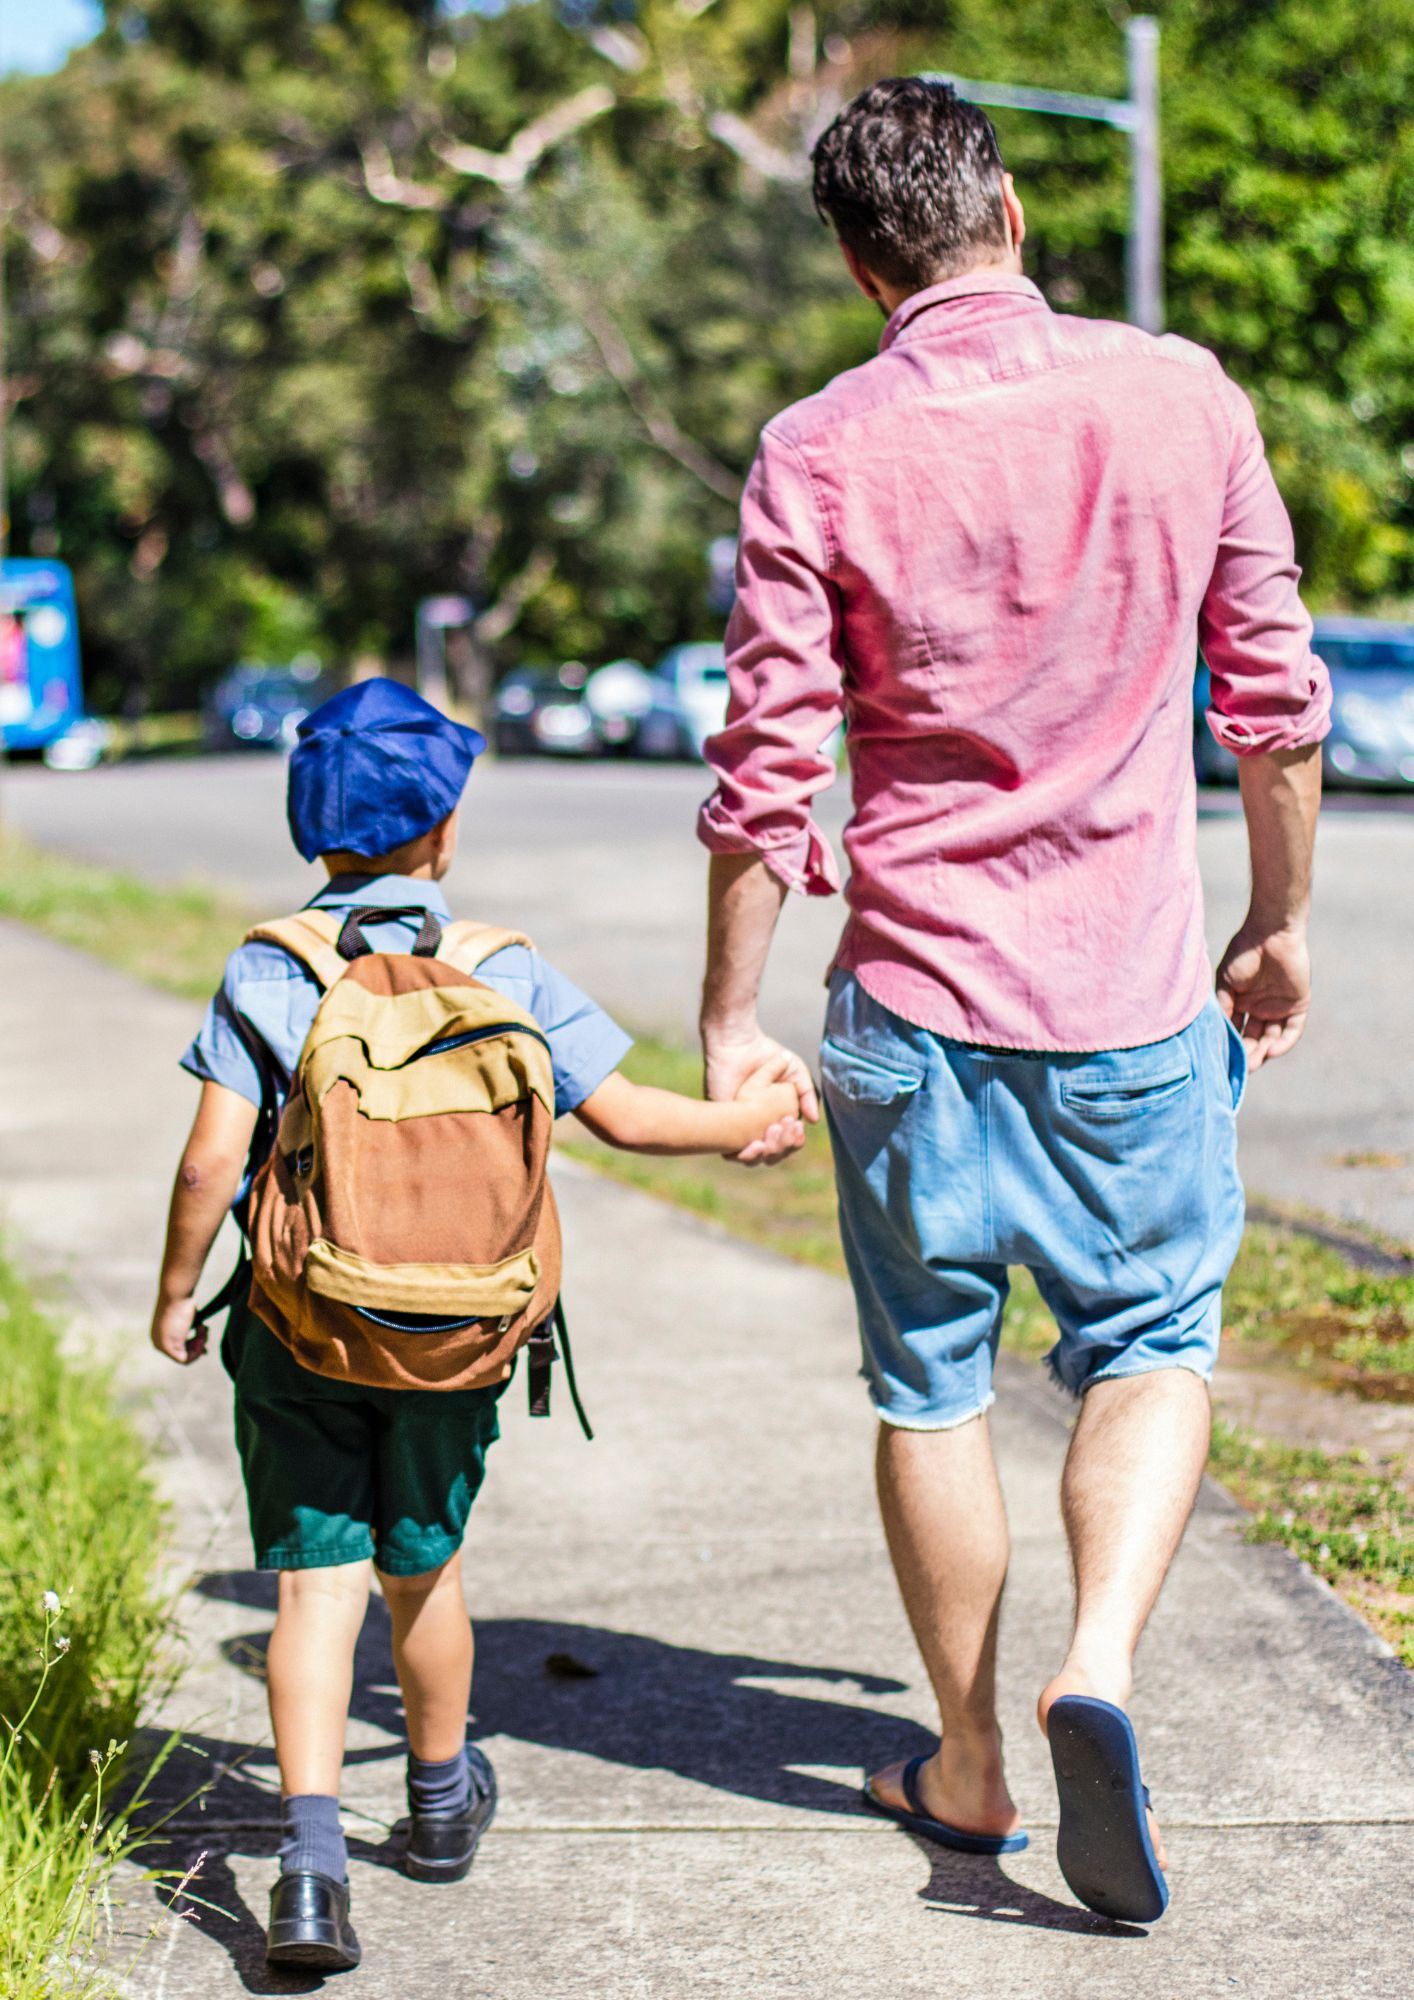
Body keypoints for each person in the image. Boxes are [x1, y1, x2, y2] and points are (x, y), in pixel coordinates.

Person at [697, 77, 1330, 1924]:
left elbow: (765, 775)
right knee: (1147, 1349)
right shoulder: (1181, 393)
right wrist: (1278, 923)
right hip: (1132, 1006)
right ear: (1012, 221)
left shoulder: (816, 447)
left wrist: (735, 1021)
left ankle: (966, 1759)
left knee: (928, 1386)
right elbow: (1274, 709)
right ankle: (1099, 1672)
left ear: (852, 260)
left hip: (912, 1012)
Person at [150, 678, 802, 1971]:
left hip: (296, 1332)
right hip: (456, 1340)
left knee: (313, 1591)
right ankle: (440, 1807)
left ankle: (308, 1872)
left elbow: (204, 1165)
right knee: (424, 1572)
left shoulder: (271, 970)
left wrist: (175, 1293)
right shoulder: (502, 968)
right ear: (444, 831)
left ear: (308, 831)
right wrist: (750, 1123)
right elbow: (627, 1118)